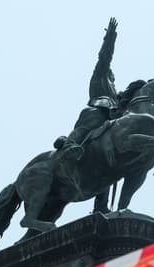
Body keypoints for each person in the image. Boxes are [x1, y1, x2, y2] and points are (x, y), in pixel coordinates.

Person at [54, 18, 146, 160]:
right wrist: (110, 37)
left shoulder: (114, 92)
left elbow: (125, 99)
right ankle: (69, 146)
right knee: (89, 122)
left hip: (112, 115)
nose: (113, 78)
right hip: (98, 109)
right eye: (111, 74)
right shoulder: (100, 76)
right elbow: (105, 56)